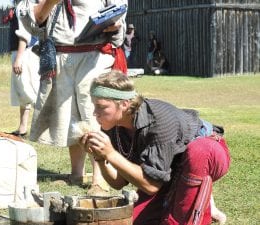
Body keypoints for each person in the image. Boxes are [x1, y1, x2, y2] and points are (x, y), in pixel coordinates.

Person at [79, 70, 231, 224]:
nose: (94, 113)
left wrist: (111, 154)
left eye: (101, 107)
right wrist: (100, 157)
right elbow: (118, 182)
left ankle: (198, 205)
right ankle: (200, 202)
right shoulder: (114, 126)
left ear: (124, 104)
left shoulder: (159, 120)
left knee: (198, 152)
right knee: (135, 220)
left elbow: (151, 185)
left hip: (208, 153)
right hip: (169, 168)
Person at [17, 0, 128, 195]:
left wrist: (116, 24)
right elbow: (31, 21)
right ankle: (76, 174)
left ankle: (99, 179)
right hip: (59, 55)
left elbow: (118, 11)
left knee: (93, 115)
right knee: (70, 116)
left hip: (94, 53)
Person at [3, 0, 40, 137]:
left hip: (25, 53)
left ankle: (41, 128)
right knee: (23, 92)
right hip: (24, 52)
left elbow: (25, 34)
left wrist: (19, 58)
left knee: (30, 91)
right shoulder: (22, 5)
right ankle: (23, 128)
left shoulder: (25, 6)